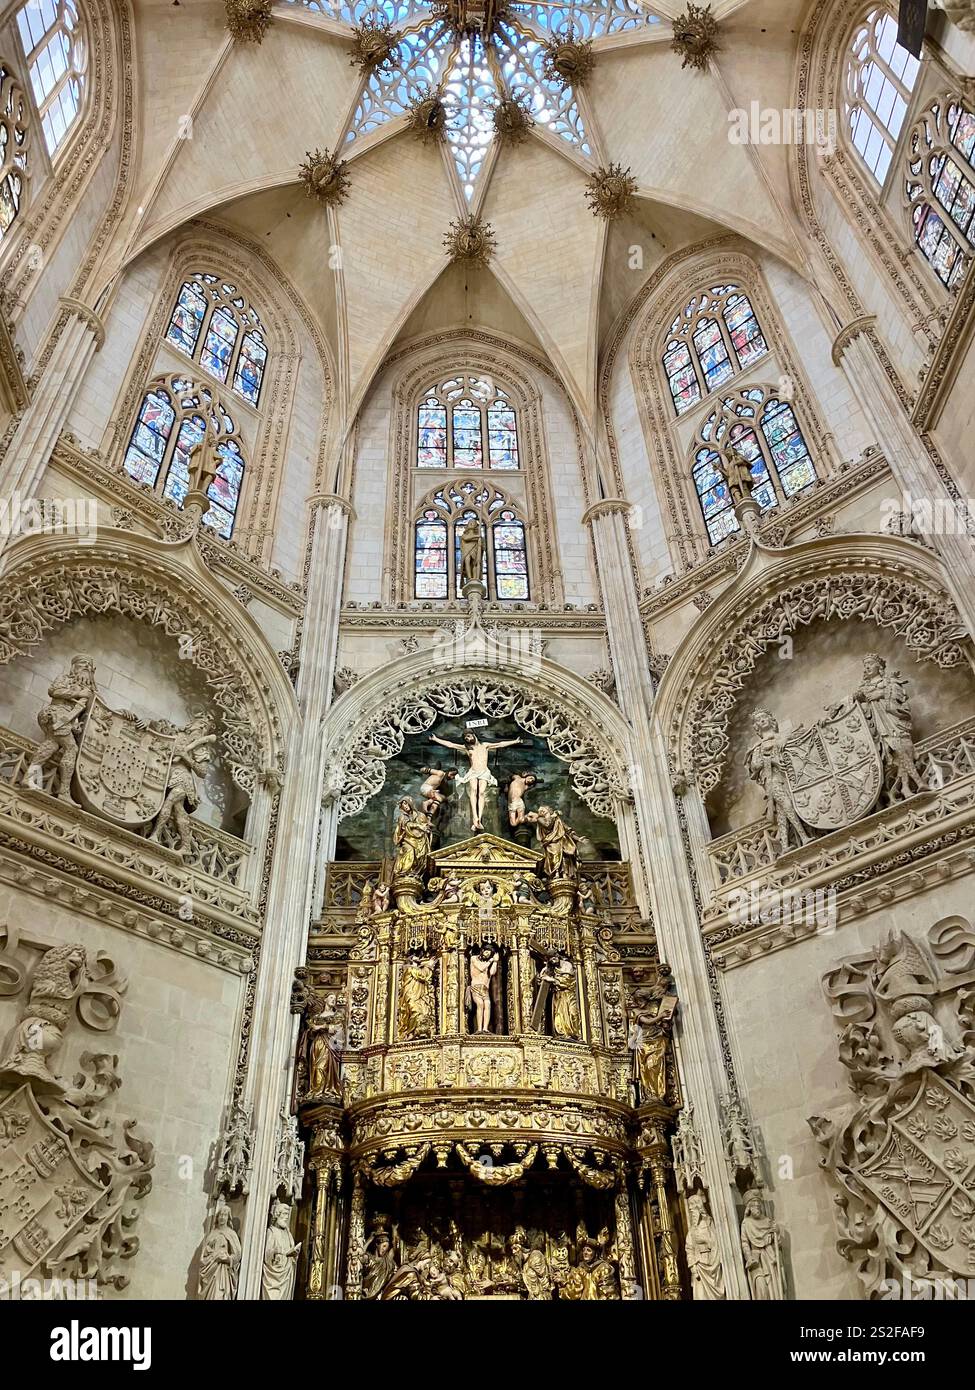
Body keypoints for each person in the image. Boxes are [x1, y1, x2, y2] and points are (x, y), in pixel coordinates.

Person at [429, 729, 522, 832]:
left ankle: (479, 819)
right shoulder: (466, 748)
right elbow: (450, 745)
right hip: (473, 772)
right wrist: (436, 739)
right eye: (466, 738)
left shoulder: (485, 745)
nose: (468, 739)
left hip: (484, 772)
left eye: (469, 736)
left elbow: (500, 744)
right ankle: (475, 817)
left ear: (474, 735)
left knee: (481, 793)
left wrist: (515, 741)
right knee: (473, 791)